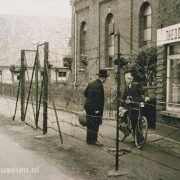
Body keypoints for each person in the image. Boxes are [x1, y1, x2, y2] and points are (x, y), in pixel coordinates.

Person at [84, 69, 108, 145]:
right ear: (103, 78)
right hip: (95, 108)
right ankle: (94, 140)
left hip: (88, 107)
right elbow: (99, 99)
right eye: (105, 78)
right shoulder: (99, 86)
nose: (105, 80)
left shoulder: (91, 83)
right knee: (95, 124)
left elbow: (85, 93)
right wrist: (97, 109)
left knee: (89, 124)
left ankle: (89, 140)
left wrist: (90, 99)